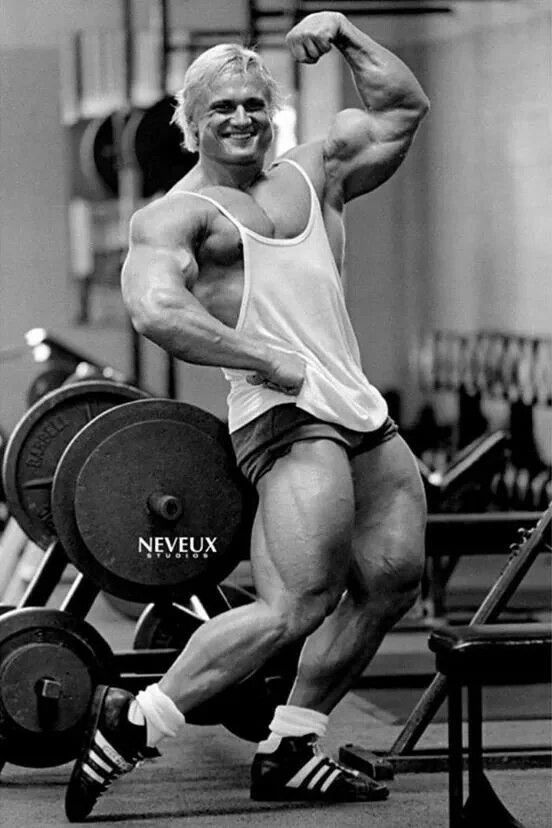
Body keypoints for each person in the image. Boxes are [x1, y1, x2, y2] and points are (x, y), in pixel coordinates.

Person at [65, 10, 429, 821]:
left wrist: (342, 32)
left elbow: (403, 110)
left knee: (395, 578)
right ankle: (137, 718)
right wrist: (265, 360)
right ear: (191, 124)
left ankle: (291, 746)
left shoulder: (315, 172)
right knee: (297, 603)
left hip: (354, 402)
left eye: (252, 104)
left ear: (274, 111)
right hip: (282, 413)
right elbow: (156, 309)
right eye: (220, 108)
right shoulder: (175, 216)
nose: (239, 118)